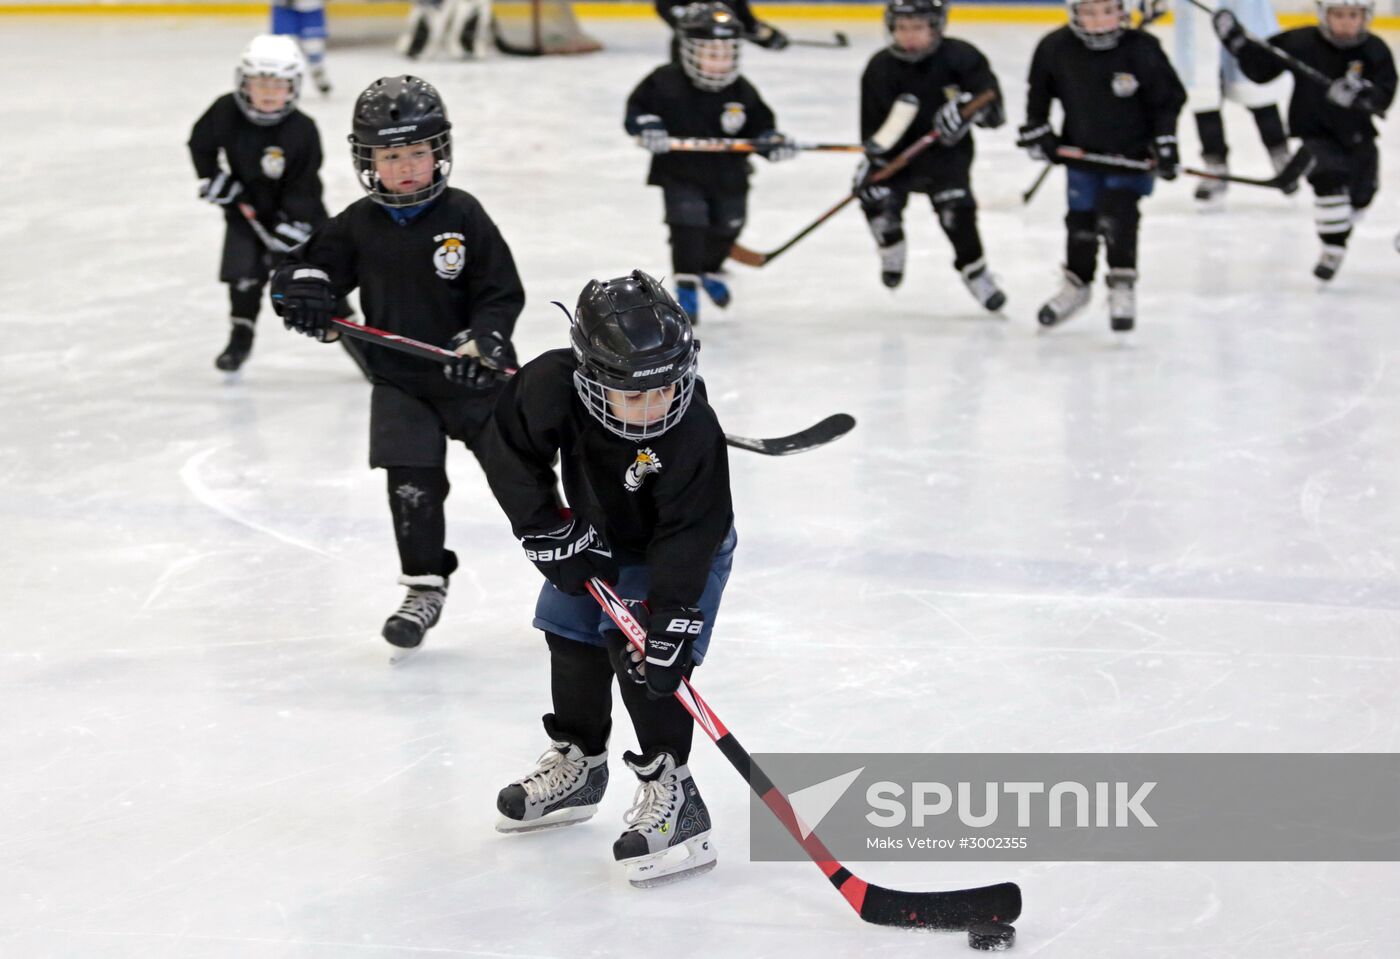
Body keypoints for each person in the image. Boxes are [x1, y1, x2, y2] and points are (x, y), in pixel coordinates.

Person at [478, 270, 735, 888]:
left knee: (642, 657)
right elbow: (507, 447)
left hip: (679, 550)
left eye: (666, 388)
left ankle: (675, 793)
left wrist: (672, 613)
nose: (655, 408)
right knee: (568, 636)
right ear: (591, 378)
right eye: (635, 396)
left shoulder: (694, 428)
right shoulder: (550, 384)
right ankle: (580, 762)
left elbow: (692, 530)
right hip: (598, 535)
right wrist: (543, 527)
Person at [273, 75, 525, 653]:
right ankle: (424, 584)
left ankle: (581, 575)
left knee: (520, 477)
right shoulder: (359, 223)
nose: (407, 166)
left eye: (417, 151)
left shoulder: (465, 214)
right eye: (392, 155)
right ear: (369, 161)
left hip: (472, 377)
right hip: (401, 380)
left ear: (440, 152)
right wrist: (303, 294)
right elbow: (301, 272)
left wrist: (483, 340)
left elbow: (500, 291)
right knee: (410, 482)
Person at [1017, 0, 1185, 332]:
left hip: (1131, 155)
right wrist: (1040, 132)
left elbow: (1168, 99)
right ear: (1074, 13)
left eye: (1108, 11)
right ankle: (1077, 283)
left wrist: (1165, 142)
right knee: (1081, 219)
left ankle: (1122, 282)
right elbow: (1038, 97)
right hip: (1082, 152)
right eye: (1090, 13)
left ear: (1123, 11)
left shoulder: (1142, 48)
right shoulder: (1055, 47)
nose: (1099, 22)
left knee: (1119, 215)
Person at [625, 2, 797, 322]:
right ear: (689, 51)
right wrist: (648, 126)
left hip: (729, 175)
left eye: (726, 53)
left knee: (728, 227)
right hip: (681, 173)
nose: (719, 62)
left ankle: (705, 270)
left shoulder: (740, 90)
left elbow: (760, 126)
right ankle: (687, 285)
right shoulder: (664, 81)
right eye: (710, 53)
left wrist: (772, 142)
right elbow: (638, 110)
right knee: (687, 224)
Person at [1214, 0, 1395, 281]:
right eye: (1338, 15)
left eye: (1352, 16)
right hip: (1315, 134)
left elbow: (1385, 91)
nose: (1345, 22)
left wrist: (1363, 95)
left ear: (1365, 17)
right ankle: (1333, 247)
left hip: (1358, 138)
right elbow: (1262, 67)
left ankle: (1344, 223)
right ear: (1324, 15)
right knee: (1328, 184)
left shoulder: (1374, 49)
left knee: (1362, 197)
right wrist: (1236, 42)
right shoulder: (1302, 41)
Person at [188, 35, 332, 372]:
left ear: (294, 86)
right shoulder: (225, 111)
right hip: (245, 212)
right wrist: (213, 177)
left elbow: (306, 182)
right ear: (244, 82)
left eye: (279, 84)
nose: (269, 92)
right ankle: (241, 335)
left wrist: (297, 223)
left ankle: (361, 348)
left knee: (317, 283)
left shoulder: (303, 129)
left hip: (296, 219)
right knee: (244, 278)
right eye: (261, 83)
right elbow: (200, 143)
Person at [855, 0, 1007, 310]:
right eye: (901, 28)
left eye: (918, 27)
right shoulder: (879, 67)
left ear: (936, 26)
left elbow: (994, 113)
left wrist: (967, 112)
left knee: (957, 215)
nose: (908, 36)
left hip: (947, 159)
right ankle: (891, 243)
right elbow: (874, 135)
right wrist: (874, 163)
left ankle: (974, 271)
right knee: (874, 196)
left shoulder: (962, 58)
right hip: (898, 159)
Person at [1143, 0, 1293, 206]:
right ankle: (1215, 166)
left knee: (1255, 82)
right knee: (1203, 93)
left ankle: (1281, 158)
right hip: (1197, 13)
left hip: (1244, 8)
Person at [270, 0, 332, 94]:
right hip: (284, 7)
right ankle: (283, 78)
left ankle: (317, 70)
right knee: (284, 45)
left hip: (311, 6)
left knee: (313, 45)